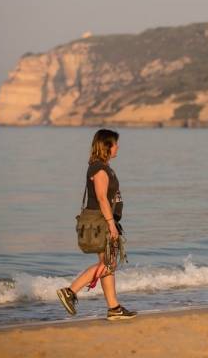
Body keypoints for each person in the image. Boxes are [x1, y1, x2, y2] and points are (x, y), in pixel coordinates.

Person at [57, 129, 137, 320]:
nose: (118, 147)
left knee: (106, 265)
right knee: (108, 264)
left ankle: (114, 308)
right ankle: (70, 291)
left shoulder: (102, 166)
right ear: (107, 146)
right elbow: (102, 198)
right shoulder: (99, 168)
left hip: (104, 221)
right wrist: (111, 224)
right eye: (115, 144)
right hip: (101, 222)